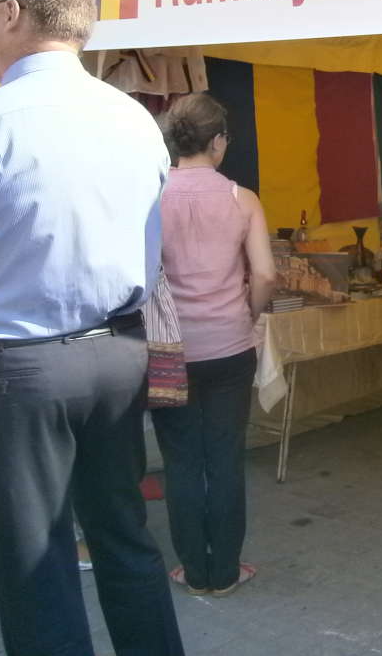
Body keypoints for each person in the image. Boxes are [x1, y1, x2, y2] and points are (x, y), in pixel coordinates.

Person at [0, 0, 184, 656]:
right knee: (123, 536)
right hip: (117, 353)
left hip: (16, 369)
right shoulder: (136, 119)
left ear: (10, 13)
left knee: (36, 564)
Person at [153, 93, 277, 596]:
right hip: (229, 345)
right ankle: (224, 570)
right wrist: (248, 314)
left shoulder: (150, 196)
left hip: (167, 349)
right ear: (219, 141)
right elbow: (264, 274)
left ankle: (192, 568)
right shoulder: (242, 199)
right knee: (225, 456)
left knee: (180, 459)